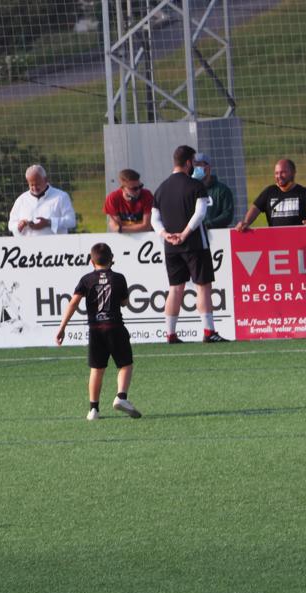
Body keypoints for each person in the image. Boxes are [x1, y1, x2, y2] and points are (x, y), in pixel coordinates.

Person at [151, 145, 229, 343]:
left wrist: (165, 235)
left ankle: (170, 333)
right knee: (203, 286)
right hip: (195, 243)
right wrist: (185, 234)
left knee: (175, 288)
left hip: (171, 246)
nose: (196, 166)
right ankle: (209, 331)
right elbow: (200, 213)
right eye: (194, 162)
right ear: (188, 163)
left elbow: (154, 219)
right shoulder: (196, 186)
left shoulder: (161, 188)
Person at [55, 242, 141, 421]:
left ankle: (93, 409)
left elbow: (73, 302)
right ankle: (121, 397)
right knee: (125, 364)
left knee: (97, 369)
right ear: (112, 259)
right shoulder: (119, 278)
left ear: (91, 261)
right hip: (115, 327)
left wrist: (62, 327)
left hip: (95, 330)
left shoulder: (86, 280)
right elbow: (124, 303)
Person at [234, 157, 306, 231]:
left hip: (300, 240)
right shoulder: (269, 192)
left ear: (293, 173)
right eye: (276, 173)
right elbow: (255, 208)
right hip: (276, 241)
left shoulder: (304, 192)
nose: (279, 176)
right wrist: (246, 222)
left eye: (283, 172)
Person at [8, 165, 77, 236]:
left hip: (54, 242)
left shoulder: (61, 197)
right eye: (31, 185)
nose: (35, 188)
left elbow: (71, 221)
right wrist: (20, 224)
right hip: (27, 243)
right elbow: (11, 225)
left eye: (38, 184)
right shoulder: (21, 200)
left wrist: (49, 222)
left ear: (46, 180)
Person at [191, 152, 235, 229]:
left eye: (199, 165)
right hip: (194, 233)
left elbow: (227, 215)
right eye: (194, 166)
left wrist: (208, 224)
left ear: (208, 167)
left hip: (217, 234)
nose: (195, 169)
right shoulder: (190, 191)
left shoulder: (222, 190)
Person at [103, 169, 154, 233]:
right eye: (134, 188)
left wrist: (121, 229)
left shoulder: (146, 195)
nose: (138, 190)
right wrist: (119, 228)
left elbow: (147, 226)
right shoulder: (113, 198)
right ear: (122, 188)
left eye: (140, 186)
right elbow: (116, 225)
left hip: (145, 235)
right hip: (124, 236)